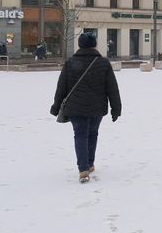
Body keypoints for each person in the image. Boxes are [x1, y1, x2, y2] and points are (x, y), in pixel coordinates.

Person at [50, 32, 122, 183]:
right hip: (97, 107)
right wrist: (116, 108)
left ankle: (83, 169)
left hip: (76, 108)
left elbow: (61, 87)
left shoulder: (71, 62)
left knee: (80, 135)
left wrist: (56, 106)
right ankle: (89, 164)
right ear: (94, 44)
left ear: (80, 45)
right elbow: (112, 88)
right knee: (93, 134)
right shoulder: (103, 63)